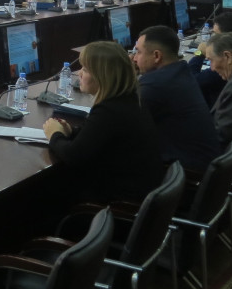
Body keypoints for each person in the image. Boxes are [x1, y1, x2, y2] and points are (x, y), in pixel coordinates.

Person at [41, 41, 164, 204]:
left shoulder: (109, 110)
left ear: (103, 76)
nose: (80, 74)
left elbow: (73, 156)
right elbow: (100, 136)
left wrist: (54, 134)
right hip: (138, 194)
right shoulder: (128, 99)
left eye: (85, 69)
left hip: (118, 205)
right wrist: (72, 131)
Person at [132, 26, 221, 171]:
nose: (134, 58)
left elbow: (122, 124)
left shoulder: (155, 84)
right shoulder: (181, 71)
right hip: (204, 165)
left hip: (188, 174)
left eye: (138, 52)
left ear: (156, 56)